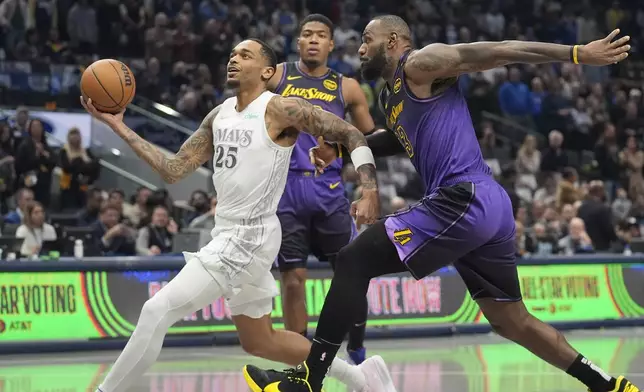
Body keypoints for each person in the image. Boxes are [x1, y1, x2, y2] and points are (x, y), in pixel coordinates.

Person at [243, 16, 638, 392]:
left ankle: (309, 379)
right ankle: (608, 384)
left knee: (353, 260)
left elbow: (500, 50)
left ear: (393, 42)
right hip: (487, 205)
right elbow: (399, 140)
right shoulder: (391, 95)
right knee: (510, 320)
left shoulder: (419, 64)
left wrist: (575, 54)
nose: (360, 48)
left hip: (463, 197)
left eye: (367, 39)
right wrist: (343, 150)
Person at [81, 38, 392, 392]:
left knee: (157, 311)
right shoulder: (219, 114)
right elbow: (174, 169)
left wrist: (368, 189)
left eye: (246, 55)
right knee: (261, 341)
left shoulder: (281, 108)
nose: (234, 59)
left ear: (268, 71)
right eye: (232, 54)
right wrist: (118, 127)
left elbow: (352, 134)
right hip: (231, 232)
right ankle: (361, 376)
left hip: (248, 236)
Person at [267, 14, 380, 364]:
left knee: (352, 270)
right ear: (297, 42)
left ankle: (357, 347)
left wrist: (341, 152)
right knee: (293, 279)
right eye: (306, 35)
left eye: (321, 35)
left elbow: (370, 137)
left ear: (332, 44)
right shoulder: (277, 77)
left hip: (329, 190)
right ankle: (300, 361)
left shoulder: (346, 87)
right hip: (285, 190)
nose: (313, 40)